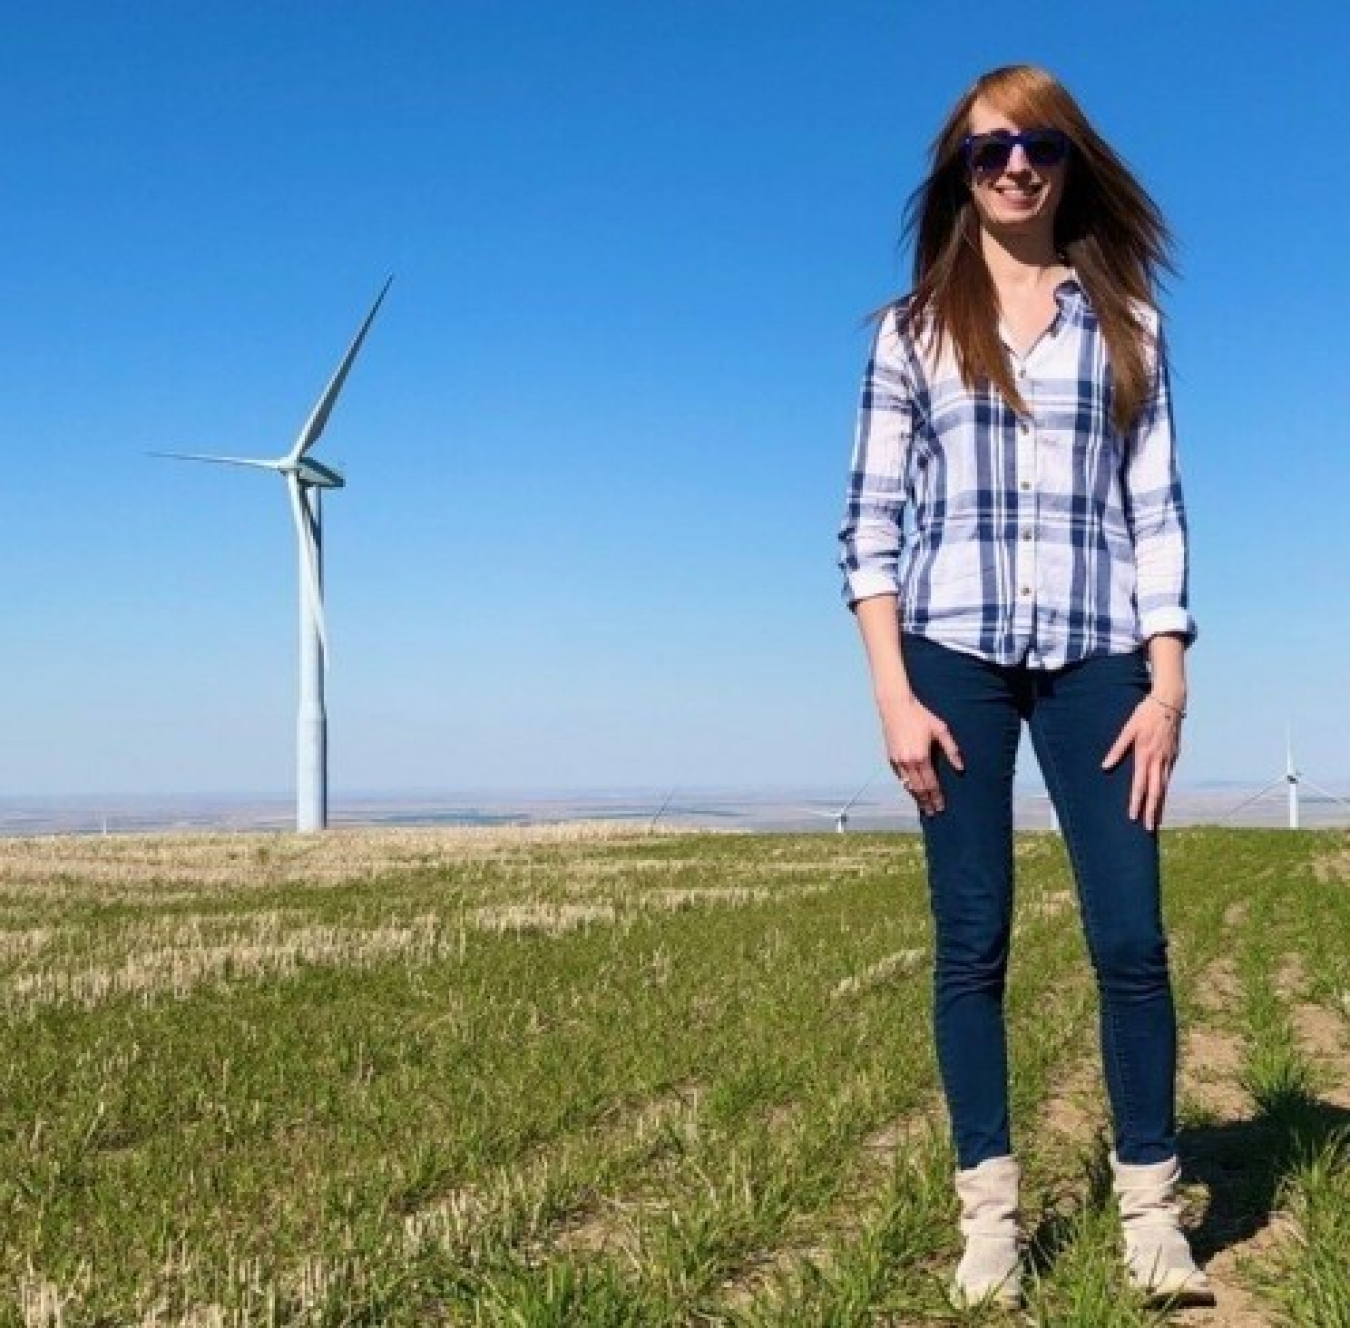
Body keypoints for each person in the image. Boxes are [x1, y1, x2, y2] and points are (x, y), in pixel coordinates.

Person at [838, 64, 1212, 1310]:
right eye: (989, 150)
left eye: (1038, 146)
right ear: (958, 171)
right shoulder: (908, 330)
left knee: (1131, 939)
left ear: (1071, 164)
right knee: (973, 942)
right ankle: (989, 1217)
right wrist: (894, 693)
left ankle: (1152, 1216)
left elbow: (1154, 515)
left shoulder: (1133, 327)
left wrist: (1167, 682)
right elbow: (868, 527)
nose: (1014, 167)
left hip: (1102, 660)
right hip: (952, 659)